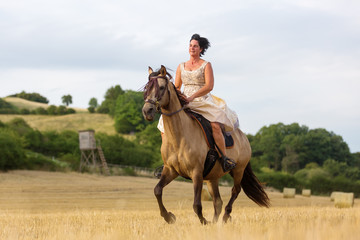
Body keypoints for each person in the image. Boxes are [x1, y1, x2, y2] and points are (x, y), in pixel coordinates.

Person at [158, 33, 239, 172]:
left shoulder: (206, 65)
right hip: (184, 99)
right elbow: (177, 86)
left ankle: (224, 158)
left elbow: (209, 86)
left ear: (201, 49)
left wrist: (192, 97)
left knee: (215, 126)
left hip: (202, 100)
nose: (192, 48)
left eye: (195, 46)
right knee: (163, 126)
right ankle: (168, 159)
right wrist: (180, 97)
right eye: (190, 45)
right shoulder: (181, 66)